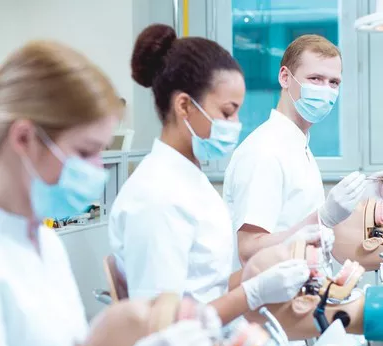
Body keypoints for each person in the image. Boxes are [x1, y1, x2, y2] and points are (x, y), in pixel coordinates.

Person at [0, 40, 216, 346]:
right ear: (24, 138)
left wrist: (134, 327)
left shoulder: (43, 242)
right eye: (85, 151)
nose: (98, 169)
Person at [109, 24, 313, 325]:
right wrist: (251, 293)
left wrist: (266, 266)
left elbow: (205, 287)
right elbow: (163, 326)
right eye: (228, 112)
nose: (236, 123)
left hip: (215, 338)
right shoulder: (156, 197)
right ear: (184, 106)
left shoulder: (190, 179)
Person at [223, 34, 383, 270]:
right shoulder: (264, 152)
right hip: (274, 292)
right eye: (315, 79)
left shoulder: (297, 145)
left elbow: (303, 227)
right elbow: (249, 251)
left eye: (334, 83)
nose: (326, 90)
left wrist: (360, 201)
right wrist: (323, 217)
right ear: (285, 77)